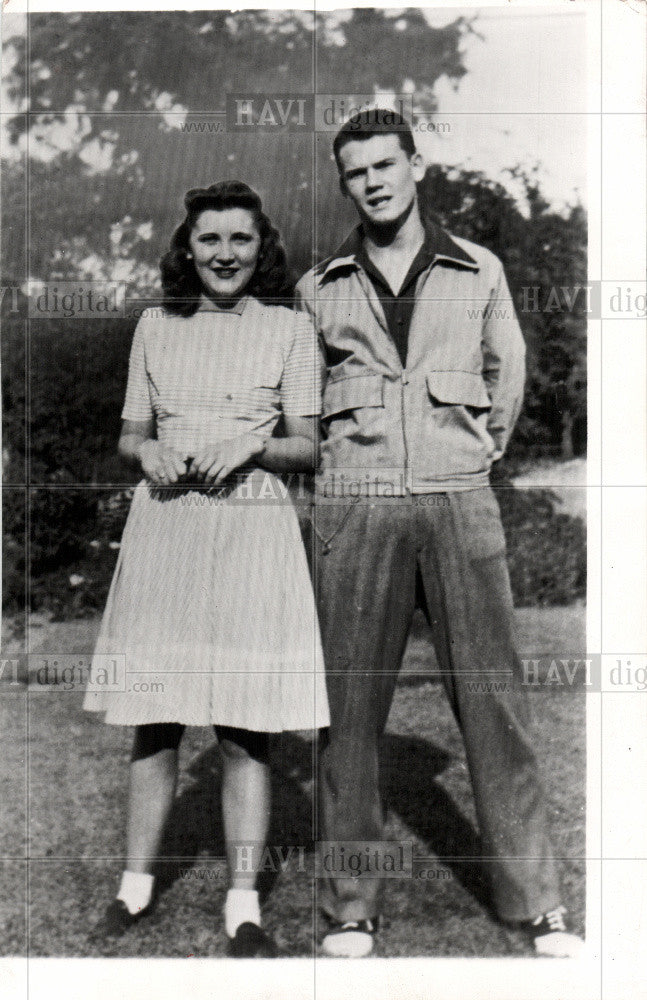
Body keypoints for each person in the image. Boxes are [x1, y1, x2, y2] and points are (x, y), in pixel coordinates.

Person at [295, 109, 583, 959]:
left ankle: (536, 902)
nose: (374, 181)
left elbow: (508, 376)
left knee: (494, 705)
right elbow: (305, 412)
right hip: (356, 506)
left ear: (416, 165)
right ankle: (351, 905)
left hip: (459, 502)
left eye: (387, 164)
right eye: (356, 172)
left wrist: (470, 455)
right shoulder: (321, 285)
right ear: (344, 183)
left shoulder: (478, 268)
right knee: (346, 714)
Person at [84, 180, 329, 957]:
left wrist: (250, 446)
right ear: (187, 248)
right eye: (210, 239)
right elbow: (130, 436)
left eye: (240, 240)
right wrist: (148, 450)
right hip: (168, 528)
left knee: (243, 733)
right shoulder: (155, 327)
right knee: (154, 725)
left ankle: (242, 906)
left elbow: (307, 445)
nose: (224, 253)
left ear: (263, 250)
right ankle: (133, 887)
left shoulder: (291, 329)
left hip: (252, 532)